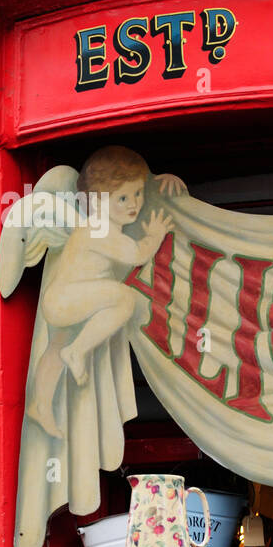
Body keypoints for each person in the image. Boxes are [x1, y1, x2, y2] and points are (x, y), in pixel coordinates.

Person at [27, 147, 183, 437]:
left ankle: (41, 406)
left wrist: (158, 180)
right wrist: (155, 234)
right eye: (123, 198)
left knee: (54, 348)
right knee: (125, 299)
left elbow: (132, 184)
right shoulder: (101, 230)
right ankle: (78, 351)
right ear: (97, 202)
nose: (134, 204)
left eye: (138, 193)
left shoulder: (95, 225)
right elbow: (137, 254)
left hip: (63, 299)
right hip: (69, 299)